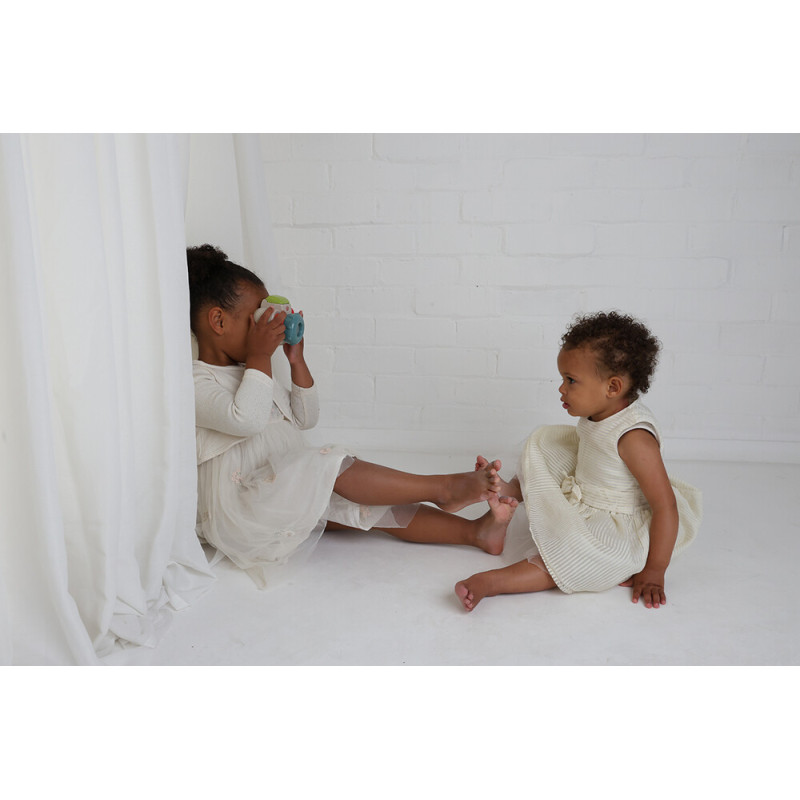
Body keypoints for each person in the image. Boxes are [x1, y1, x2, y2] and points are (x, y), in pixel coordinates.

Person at [188, 244, 512, 588]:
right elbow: (247, 420)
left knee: (366, 506)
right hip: (243, 512)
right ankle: (443, 488)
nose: (267, 328)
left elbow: (305, 418)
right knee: (327, 464)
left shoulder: (255, 372)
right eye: (257, 319)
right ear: (219, 321)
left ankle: (476, 533)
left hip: (281, 493)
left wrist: (296, 360)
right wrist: (260, 356)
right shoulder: (196, 381)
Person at [456, 311, 702, 612]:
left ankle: (493, 582)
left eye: (571, 381)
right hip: (586, 483)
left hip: (614, 520)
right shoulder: (601, 410)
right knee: (546, 444)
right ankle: (510, 490)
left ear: (612, 388)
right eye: (563, 378)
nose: (561, 388)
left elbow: (665, 507)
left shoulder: (635, 438)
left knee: (571, 558)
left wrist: (655, 570)